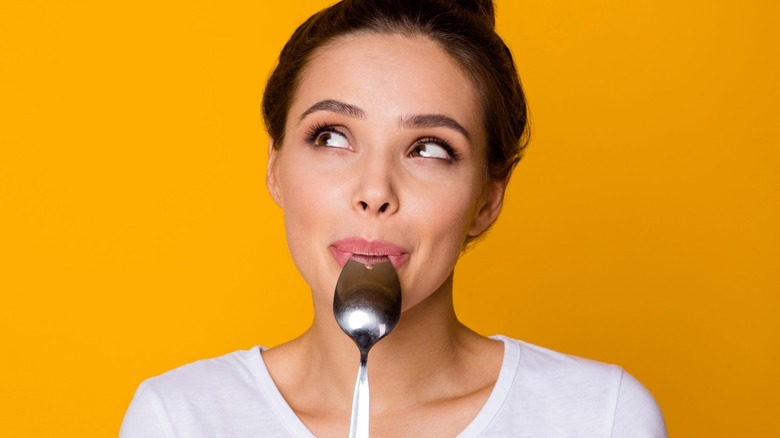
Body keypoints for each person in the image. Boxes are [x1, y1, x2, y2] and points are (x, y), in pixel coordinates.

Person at [120, 0, 667, 436]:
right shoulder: (180, 420)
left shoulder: (599, 418)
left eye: (429, 148)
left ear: (487, 197)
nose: (375, 192)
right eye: (331, 137)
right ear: (276, 168)